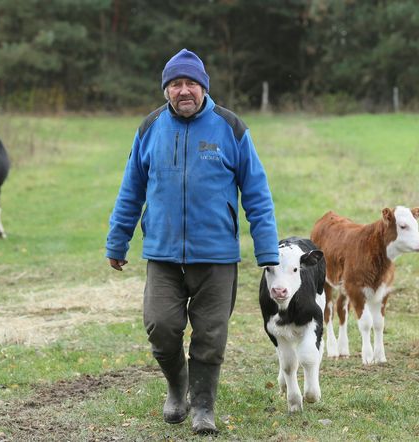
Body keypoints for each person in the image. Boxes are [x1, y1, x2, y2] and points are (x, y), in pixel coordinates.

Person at [105, 48, 279, 435]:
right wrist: (118, 242)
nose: (184, 91)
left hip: (216, 257)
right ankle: (176, 384)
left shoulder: (230, 128)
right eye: (176, 84)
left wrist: (267, 251)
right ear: (166, 89)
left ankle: (203, 405)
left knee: (211, 337)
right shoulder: (150, 128)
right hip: (163, 254)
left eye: (191, 83)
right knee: (160, 326)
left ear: (203, 87)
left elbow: (257, 193)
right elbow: (131, 189)